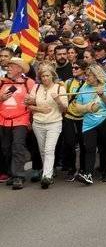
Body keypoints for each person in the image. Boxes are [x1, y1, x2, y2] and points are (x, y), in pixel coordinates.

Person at [26, 62, 67, 189]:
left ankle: (47, 176)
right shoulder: (36, 87)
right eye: (43, 76)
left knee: (49, 150)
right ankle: (47, 171)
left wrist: (58, 100)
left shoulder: (60, 88)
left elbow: (64, 109)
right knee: (43, 150)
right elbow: (29, 105)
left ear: (52, 76)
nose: (45, 78)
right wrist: (40, 109)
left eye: (47, 75)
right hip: (38, 123)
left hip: (54, 123)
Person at [74, 63, 106, 186]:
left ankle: (104, 172)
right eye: (86, 75)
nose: (85, 77)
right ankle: (88, 174)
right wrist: (88, 108)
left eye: (88, 75)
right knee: (89, 148)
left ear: (96, 75)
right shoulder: (83, 88)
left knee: (104, 148)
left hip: (104, 120)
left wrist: (102, 95)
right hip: (88, 123)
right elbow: (77, 107)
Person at [1, 57, 37, 190]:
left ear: (19, 69)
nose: (8, 68)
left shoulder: (29, 82)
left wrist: (31, 101)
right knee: (5, 148)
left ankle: (19, 176)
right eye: (8, 66)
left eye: (11, 66)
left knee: (18, 146)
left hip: (21, 120)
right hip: (3, 120)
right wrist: (1, 98)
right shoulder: (2, 82)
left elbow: (37, 100)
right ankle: (11, 173)